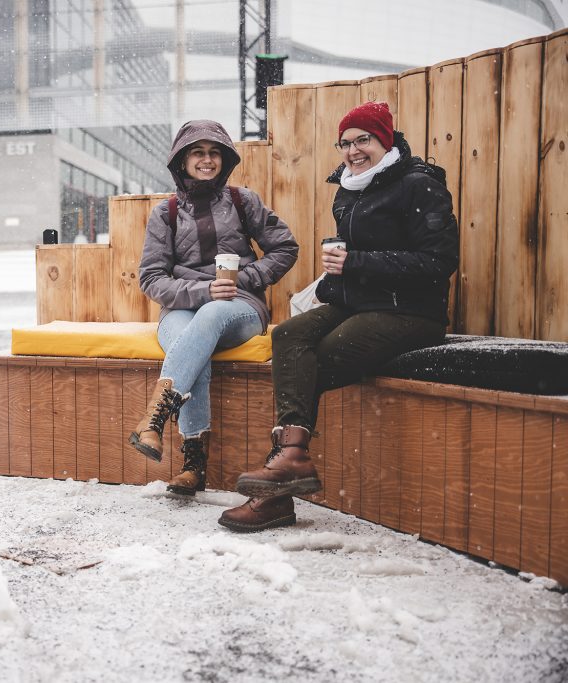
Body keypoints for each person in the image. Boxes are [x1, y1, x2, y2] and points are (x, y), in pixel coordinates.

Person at [218, 101, 459, 532]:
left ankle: (280, 483)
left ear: (385, 139)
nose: (353, 150)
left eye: (363, 139)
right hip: (358, 304)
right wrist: (330, 284)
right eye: (345, 143)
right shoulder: (349, 188)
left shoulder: (419, 185)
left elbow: (438, 263)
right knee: (289, 336)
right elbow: (351, 262)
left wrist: (356, 263)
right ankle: (290, 462)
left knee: (313, 361)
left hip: (411, 312)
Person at [129, 120, 298, 496]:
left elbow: (285, 248)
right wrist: (203, 289)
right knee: (193, 345)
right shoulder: (166, 213)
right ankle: (193, 466)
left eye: (214, 152)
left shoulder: (243, 201)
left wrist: (247, 278)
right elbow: (152, 278)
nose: (207, 160)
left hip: (241, 307)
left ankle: (154, 418)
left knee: (207, 320)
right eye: (197, 152)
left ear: (225, 159)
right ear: (182, 160)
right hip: (183, 308)